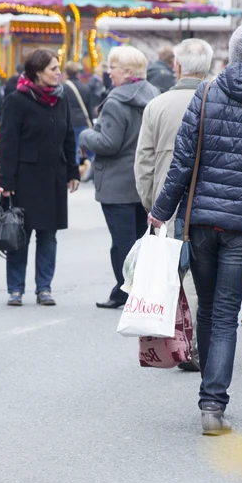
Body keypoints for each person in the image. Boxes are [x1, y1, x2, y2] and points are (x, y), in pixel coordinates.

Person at [150, 21, 242, 436]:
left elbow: (182, 161)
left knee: (208, 308)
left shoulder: (206, 92)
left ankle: (208, 391)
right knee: (227, 313)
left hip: (200, 221)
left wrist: (161, 210)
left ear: (232, 53)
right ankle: (213, 404)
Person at [134, 37, 214, 371]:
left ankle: (173, 341)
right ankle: (196, 346)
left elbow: (144, 162)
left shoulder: (157, 105)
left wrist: (153, 204)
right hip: (209, 205)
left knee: (170, 275)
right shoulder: (217, 102)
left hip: (167, 206)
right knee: (201, 279)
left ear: (177, 66)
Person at [79, 46, 161, 309]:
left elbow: (108, 143)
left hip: (116, 183)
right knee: (140, 239)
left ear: (126, 72)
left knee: (122, 243)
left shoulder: (116, 101)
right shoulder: (153, 95)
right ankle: (133, 290)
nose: (108, 72)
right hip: (143, 180)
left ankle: (125, 292)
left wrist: (84, 135)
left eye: (112, 67)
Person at [0, 49, 80, 306]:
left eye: (58, 68)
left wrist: (73, 171)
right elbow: (8, 144)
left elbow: (68, 136)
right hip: (25, 178)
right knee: (20, 234)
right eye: (53, 69)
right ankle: (15, 289)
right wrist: (6, 182)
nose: (59, 73)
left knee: (48, 234)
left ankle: (44, 288)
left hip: (53, 176)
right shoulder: (16, 100)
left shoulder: (61, 98)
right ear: (37, 72)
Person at [62, 61, 94, 163]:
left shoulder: (63, 88)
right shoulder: (86, 87)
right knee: (87, 148)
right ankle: (91, 170)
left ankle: (75, 172)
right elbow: (89, 108)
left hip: (69, 122)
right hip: (83, 122)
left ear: (66, 73)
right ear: (77, 73)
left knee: (73, 148)